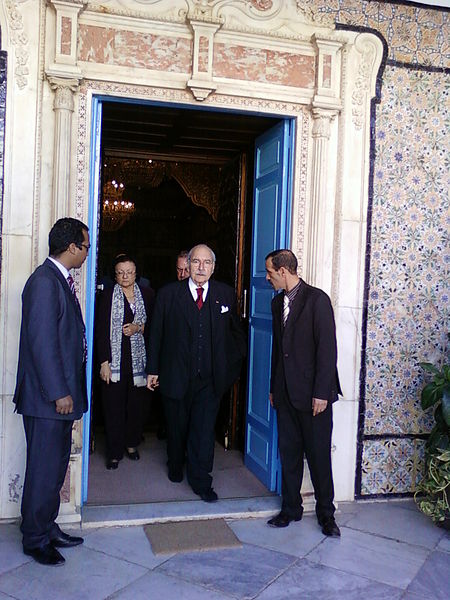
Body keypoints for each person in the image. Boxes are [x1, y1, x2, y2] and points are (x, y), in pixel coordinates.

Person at [13, 218, 90, 566]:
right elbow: (42, 343)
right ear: (72, 247)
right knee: (44, 470)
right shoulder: (44, 282)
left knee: (55, 466)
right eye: (85, 247)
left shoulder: (59, 280)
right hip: (48, 400)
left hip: (57, 398)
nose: (87, 253)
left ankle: (47, 525)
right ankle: (34, 538)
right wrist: (60, 392)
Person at [147, 244, 246, 502]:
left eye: (207, 263)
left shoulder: (225, 294)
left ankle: (202, 481)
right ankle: (176, 464)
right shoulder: (169, 294)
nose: (201, 267)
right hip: (175, 375)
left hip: (210, 380)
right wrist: (153, 371)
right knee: (177, 427)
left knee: (203, 432)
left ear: (213, 267)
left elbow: (237, 336)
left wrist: (229, 369)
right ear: (188, 265)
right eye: (196, 262)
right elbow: (156, 334)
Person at [265, 249, 342, 537]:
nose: (268, 278)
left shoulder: (317, 300)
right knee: (289, 454)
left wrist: (322, 393)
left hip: (314, 398)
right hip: (286, 395)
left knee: (319, 456)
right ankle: (290, 509)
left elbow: (327, 350)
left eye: (270, 273)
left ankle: (327, 516)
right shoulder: (276, 304)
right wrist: (274, 389)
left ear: (284, 271)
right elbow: (278, 351)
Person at [96, 254, 155, 469]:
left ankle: (131, 444)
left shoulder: (147, 295)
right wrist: (104, 362)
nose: (125, 276)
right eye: (120, 272)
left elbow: (156, 326)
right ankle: (114, 451)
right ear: (115, 274)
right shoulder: (108, 295)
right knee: (113, 407)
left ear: (136, 273)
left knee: (137, 406)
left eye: (129, 272)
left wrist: (138, 328)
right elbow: (101, 329)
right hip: (115, 361)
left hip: (140, 362)